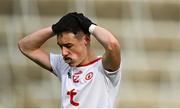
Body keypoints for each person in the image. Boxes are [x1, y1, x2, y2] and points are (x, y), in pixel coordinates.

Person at [18, 12, 122, 108]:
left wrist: (90, 26)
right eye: (61, 46)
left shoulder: (104, 68)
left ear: (86, 39)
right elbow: (25, 46)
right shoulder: (63, 65)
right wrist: (55, 28)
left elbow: (112, 45)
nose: (64, 52)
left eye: (68, 46)